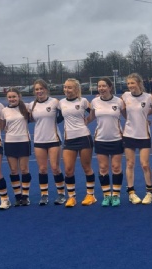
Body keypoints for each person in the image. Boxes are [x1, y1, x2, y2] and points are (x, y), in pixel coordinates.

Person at [86, 77, 126, 207]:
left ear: (110, 87)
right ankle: (106, 195)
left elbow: (128, 117)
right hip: (100, 139)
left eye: (104, 86)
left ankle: (116, 195)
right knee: (103, 168)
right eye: (99, 86)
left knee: (116, 168)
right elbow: (91, 118)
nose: (101, 88)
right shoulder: (95, 102)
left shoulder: (119, 102)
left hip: (116, 139)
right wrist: (77, 123)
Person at [58, 78, 95, 207]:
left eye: (69, 87)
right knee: (68, 170)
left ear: (76, 89)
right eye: (65, 87)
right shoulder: (61, 103)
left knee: (87, 168)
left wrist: (87, 121)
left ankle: (90, 195)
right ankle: (71, 197)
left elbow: (94, 113)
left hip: (84, 137)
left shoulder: (83, 101)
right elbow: (57, 118)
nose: (66, 90)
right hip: (69, 140)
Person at [29, 79, 65, 205]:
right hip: (39, 140)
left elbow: (65, 112)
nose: (39, 91)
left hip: (54, 139)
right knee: (42, 169)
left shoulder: (55, 102)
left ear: (46, 89)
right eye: (36, 89)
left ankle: (61, 193)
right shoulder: (32, 105)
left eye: (41, 88)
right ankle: (44, 195)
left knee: (55, 168)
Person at [121, 73, 152, 205]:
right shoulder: (125, 96)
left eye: (132, 83)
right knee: (130, 164)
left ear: (139, 84)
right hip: (129, 134)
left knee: (145, 164)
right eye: (128, 84)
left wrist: (145, 115)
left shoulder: (148, 97)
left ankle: (149, 193)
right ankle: (131, 193)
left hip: (144, 135)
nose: (130, 86)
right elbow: (122, 110)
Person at [1, 88, 32, 206]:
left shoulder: (27, 107)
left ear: (19, 96)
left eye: (14, 96)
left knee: (24, 169)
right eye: (9, 97)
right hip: (10, 142)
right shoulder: (4, 111)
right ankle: (17, 196)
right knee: (14, 170)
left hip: (24, 141)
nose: (12, 99)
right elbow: (2, 126)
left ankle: (25, 196)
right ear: (7, 98)